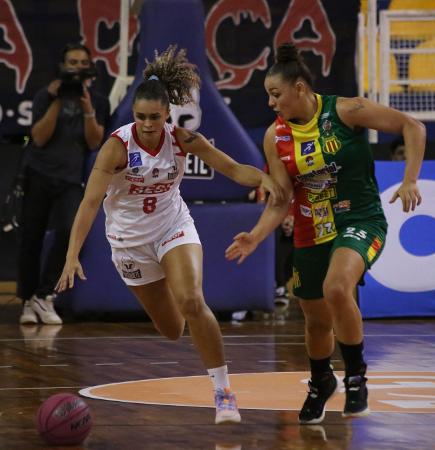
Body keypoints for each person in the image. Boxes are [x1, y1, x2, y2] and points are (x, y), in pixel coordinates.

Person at [55, 45, 283, 424]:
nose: (147, 124)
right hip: (129, 242)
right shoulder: (116, 147)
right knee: (173, 329)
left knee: (193, 301)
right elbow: (90, 203)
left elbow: (233, 169)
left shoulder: (183, 140)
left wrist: (265, 179)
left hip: (173, 226)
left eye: (155, 117)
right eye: (141, 117)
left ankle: (224, 393)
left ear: (167, 114)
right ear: (134, 115)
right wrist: (71, 254)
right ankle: (174, 298)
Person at [225, 42, 425, 424]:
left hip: (360, 220)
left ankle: (355, 378)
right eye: (268, 95)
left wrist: (409, 179)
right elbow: (281, 199)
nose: (271, 103)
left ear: (300, 88)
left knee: (338, 287)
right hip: (310, 229)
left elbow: (411, 126)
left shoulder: (347, 110)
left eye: (275, 94)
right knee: (315, 321)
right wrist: (256, 234)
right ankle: (321, 381)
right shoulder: (275, 137)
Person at [18, 43, 110, 325]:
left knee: (71, 230)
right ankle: (27, 301)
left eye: (83, 62)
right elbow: (39, 137)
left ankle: (44, 295)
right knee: (30, 238)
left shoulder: (98, 100)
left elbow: (95, 141)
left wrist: (87, 109)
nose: (78, 67)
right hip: (38, 173)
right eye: (72, 62)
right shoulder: (44, 96)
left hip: (71, 178)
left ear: (91, 66)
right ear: (62, 64)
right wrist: (58, 100)